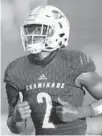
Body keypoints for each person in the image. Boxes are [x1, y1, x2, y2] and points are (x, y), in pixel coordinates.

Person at [4, 5, 102, 135]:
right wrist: (17, 118)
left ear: (58, 30)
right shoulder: (16, 69)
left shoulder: (75, 62)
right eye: (30, 29)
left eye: (39, 29)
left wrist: (81, 112)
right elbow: (16, 129)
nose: (33, 34)